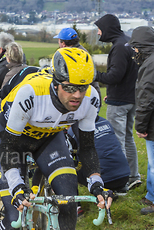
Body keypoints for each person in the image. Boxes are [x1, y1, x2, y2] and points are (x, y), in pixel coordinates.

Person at [0, 48, 113, 230]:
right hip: (13, 140)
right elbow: (8, 147)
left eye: (83, 87)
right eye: (70, 88)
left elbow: (88, 147)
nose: (77, 95)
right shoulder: (31, 94)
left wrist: (96, 183)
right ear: (56, 82)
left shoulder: (91, 98)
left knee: (68, 193)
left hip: (49, 139)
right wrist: (16, 184)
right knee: (16, 211)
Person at [94, 14, 141, 190]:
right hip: (131, 98)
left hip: (120, 102)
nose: (98, 32)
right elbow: (129, 75)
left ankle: (120, 182)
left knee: (117, 140)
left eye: (99, 28)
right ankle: (133, 176)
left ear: (107, 28)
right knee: (128, 138)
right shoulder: (128, 42)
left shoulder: (119, 47)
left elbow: (115, 75)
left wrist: (94, 75)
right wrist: (112, 94)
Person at [127, 26, 154, 214]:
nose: (134, 52)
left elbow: (146, 96)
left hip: (152, 123)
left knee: (153, 164)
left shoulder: (150, 64)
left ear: (142, 47)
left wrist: (141, 125)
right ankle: (151, 196)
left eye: (135, 48)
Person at [53, 27, 102, 101]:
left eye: (59, 41)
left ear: (63, 43)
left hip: (84, 96)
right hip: (92, 94)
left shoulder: (69, 56)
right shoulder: (83, 52)